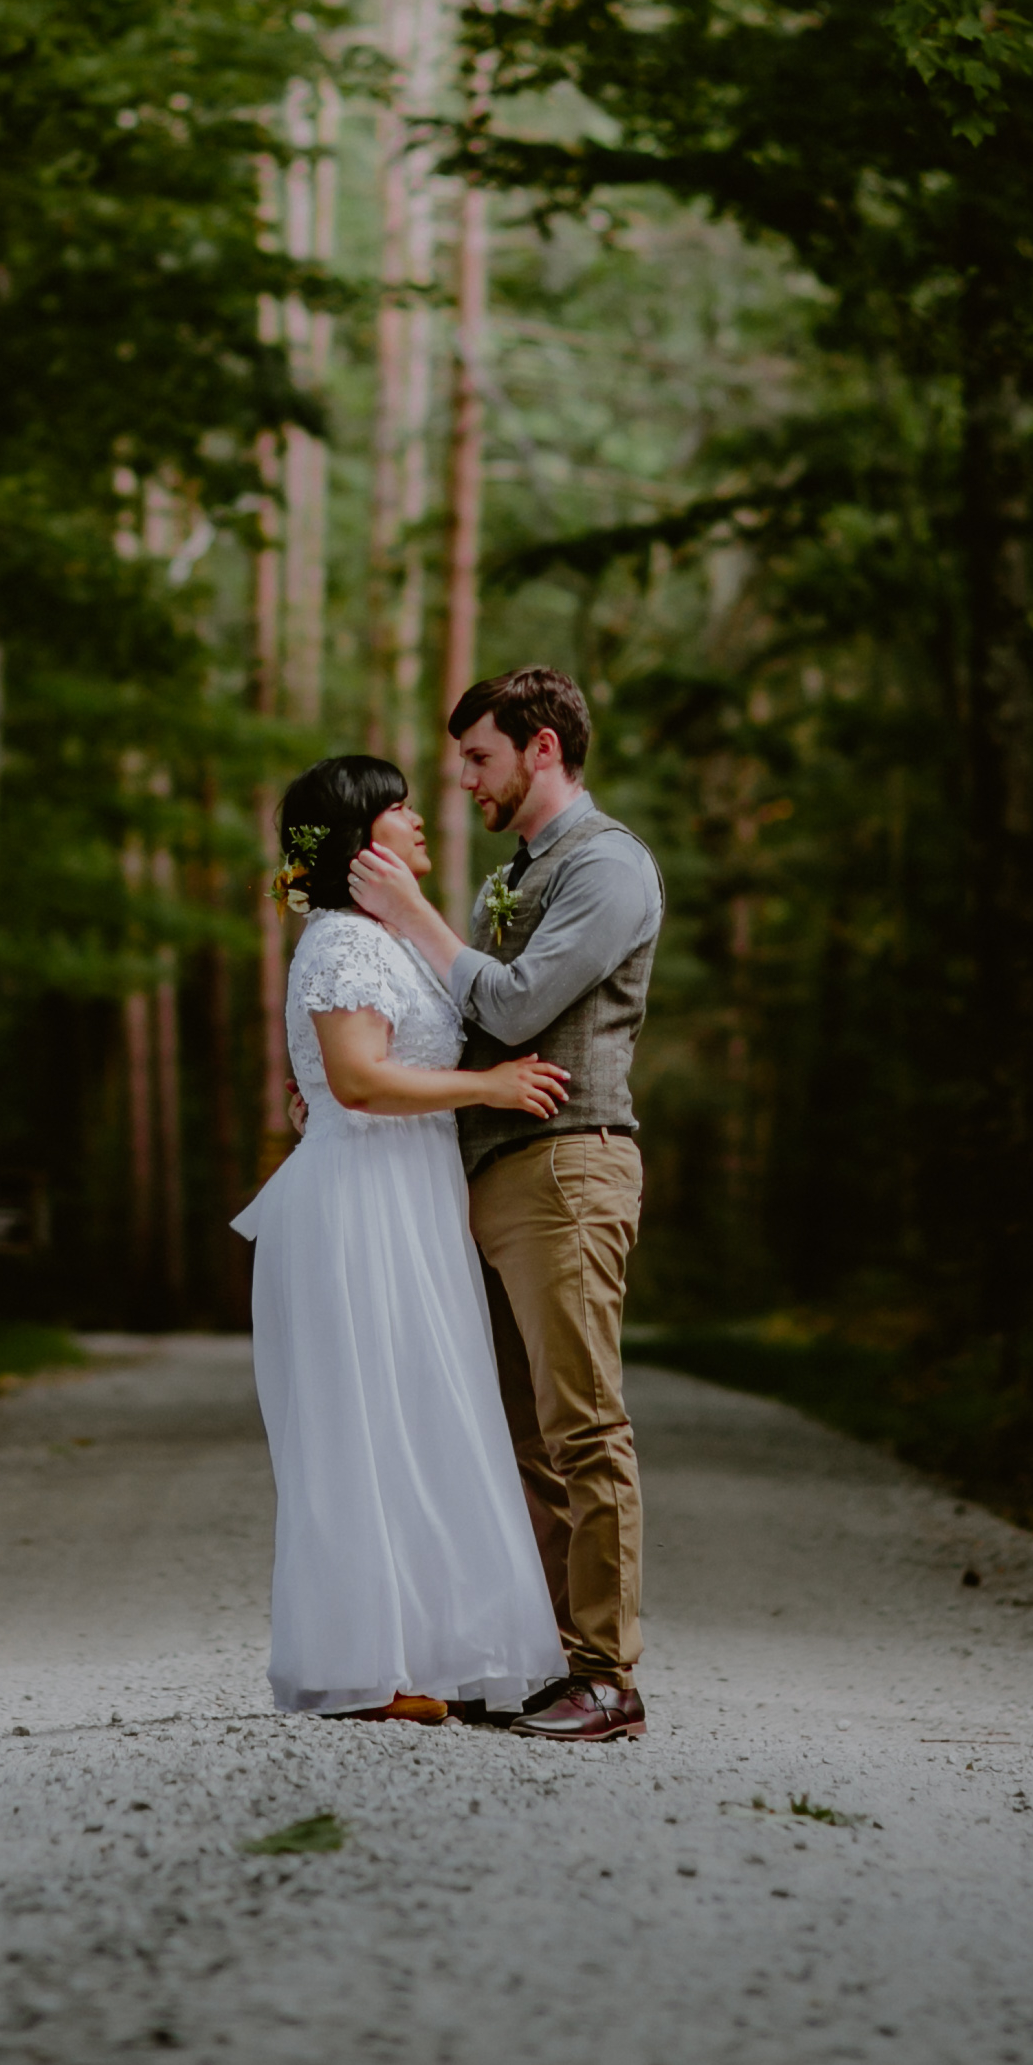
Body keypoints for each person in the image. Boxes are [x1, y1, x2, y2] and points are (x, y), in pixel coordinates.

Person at [350, 666, 663, 1745]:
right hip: (486, 1170)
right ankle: (547, 1663)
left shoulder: (608, 866)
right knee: (519, 1436)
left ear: (541, 748)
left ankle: (609, 1676)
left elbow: (523, 1004)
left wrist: (417, 916)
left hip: (568, 1165)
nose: (468, 782)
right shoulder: (511, 875)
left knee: (584, 1424)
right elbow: (458, 1014)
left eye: (480, 758)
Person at [232, 754, 571, 1725]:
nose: (420, 822)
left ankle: (421, 1656)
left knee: (420, 1416)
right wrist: (490, 1088)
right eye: (399, 810)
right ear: (358, 839)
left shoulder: (392, 940)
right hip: (360, 1204)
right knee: (365, 1426)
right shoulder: (341, 942)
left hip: (411, 1196)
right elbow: (359, 1080)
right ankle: (358, 1666)